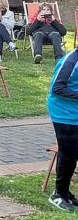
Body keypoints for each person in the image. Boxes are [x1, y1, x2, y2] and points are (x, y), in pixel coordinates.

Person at [47, 50, 78, 211]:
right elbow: (57, 88)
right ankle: (58, 194)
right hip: (63, 113)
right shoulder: (71, 60)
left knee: (73, 153)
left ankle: (65, 192)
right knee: (68, 154)